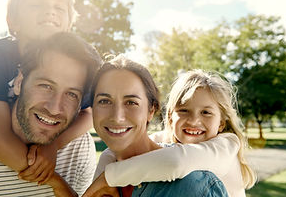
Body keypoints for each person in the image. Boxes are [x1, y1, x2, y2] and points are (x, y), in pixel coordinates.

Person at [0, 0, 93, 184]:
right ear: (13, 20)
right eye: (36, 4)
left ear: (69, 24)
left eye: (59, 8)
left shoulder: (79, 63)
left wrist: (53, 146)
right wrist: (55, 183)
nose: (50, 11)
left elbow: (90, 112)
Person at [0, 32, 102, 196]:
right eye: (46, 86)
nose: (54, 109)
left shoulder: (79, 148)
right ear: (18, 83)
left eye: (71, 94)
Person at [88, 70, 256, 197]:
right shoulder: (165, 139)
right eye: (183, 110)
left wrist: (108, 177)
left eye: (206, 113)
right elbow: (117, 150)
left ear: (221, 123)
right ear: (170, 117)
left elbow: (176, 162)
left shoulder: (227, 145)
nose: (193, 121)